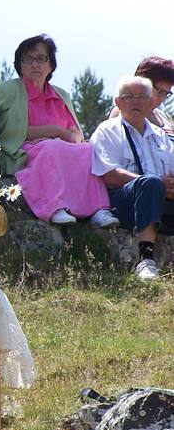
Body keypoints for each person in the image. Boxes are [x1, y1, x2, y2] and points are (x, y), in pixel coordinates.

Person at [0, 34, 118, 227]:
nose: (35, 64)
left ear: (51, 65)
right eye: (28, 59)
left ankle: (99, 210)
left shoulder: (61, 94)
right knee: (51, 147)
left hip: (59, 147)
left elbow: (76, 134)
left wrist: (63, 136)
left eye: (41, 58)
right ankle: (54, 207)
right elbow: (12, 131)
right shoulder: (9, 90)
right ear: (20, 64)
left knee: (88, 150)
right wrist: (56, 131)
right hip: (24, 150)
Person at [90, 75, 174, 281]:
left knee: (154, 184)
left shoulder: (162, 136)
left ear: (151, 102)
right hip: (124, 202)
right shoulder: (108, 130)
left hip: (162, 201)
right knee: (150, 182)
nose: (135, 101)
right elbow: (110, 175)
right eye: (129, 96)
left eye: (141, 96)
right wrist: (155, 183)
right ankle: (146, 259)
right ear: (118, 102)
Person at [109, 57, 174, 137]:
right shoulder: (123, 111)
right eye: (160, 92)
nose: (162, 99)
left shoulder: (165, 118)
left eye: (166, 94)